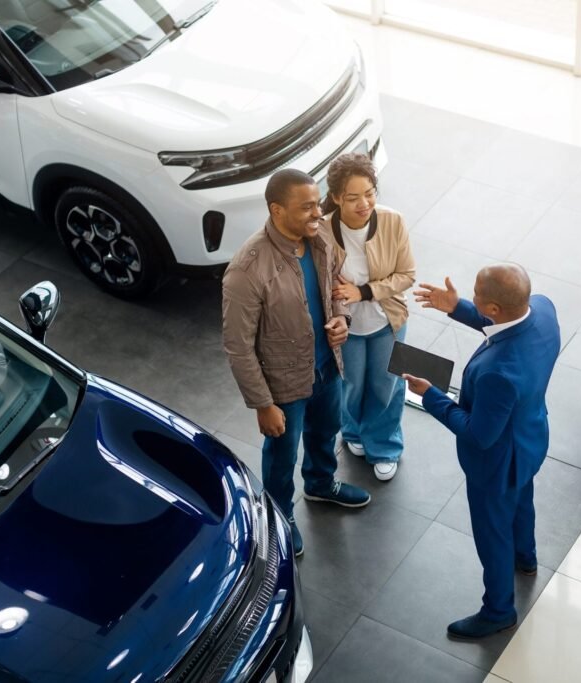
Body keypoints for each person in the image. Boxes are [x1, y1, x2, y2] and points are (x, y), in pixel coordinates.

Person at [222, 169, 372, 559]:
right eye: (306, 207)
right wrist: (263, 404)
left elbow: (334, 283)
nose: (317, 214)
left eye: (317, 204)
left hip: (326, 368)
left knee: (327, 433)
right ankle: (278, 517)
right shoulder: (246, 270)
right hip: (282, 386)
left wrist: (343, 318)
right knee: (282, 456)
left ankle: (321, 484)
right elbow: (237, 346)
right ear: (276, 210)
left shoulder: (318, 236)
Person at [405, 264, 560, 639]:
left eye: (475, 296)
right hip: (531, 439)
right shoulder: (543, 310)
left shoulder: (497, 373)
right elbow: (506, 326)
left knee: (492, 535)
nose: (470, 297)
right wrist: (456, 306)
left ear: (492, 306)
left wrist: (432, 396)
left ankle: (498, 611)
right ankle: (526, 558)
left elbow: (478, 435)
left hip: (496, 464)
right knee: (523, 501)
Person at [320, 152, 416, 481]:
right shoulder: (321, 233)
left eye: (370, 193)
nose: (364, 203)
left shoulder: (392, 221)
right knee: (351, 384)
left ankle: (385, 445)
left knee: (385, 384)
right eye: (353, 197)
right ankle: (353, 431)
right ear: (335, 198)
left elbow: (406, 274)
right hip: (347, 327)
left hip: (387, 320)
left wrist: (362, 292)